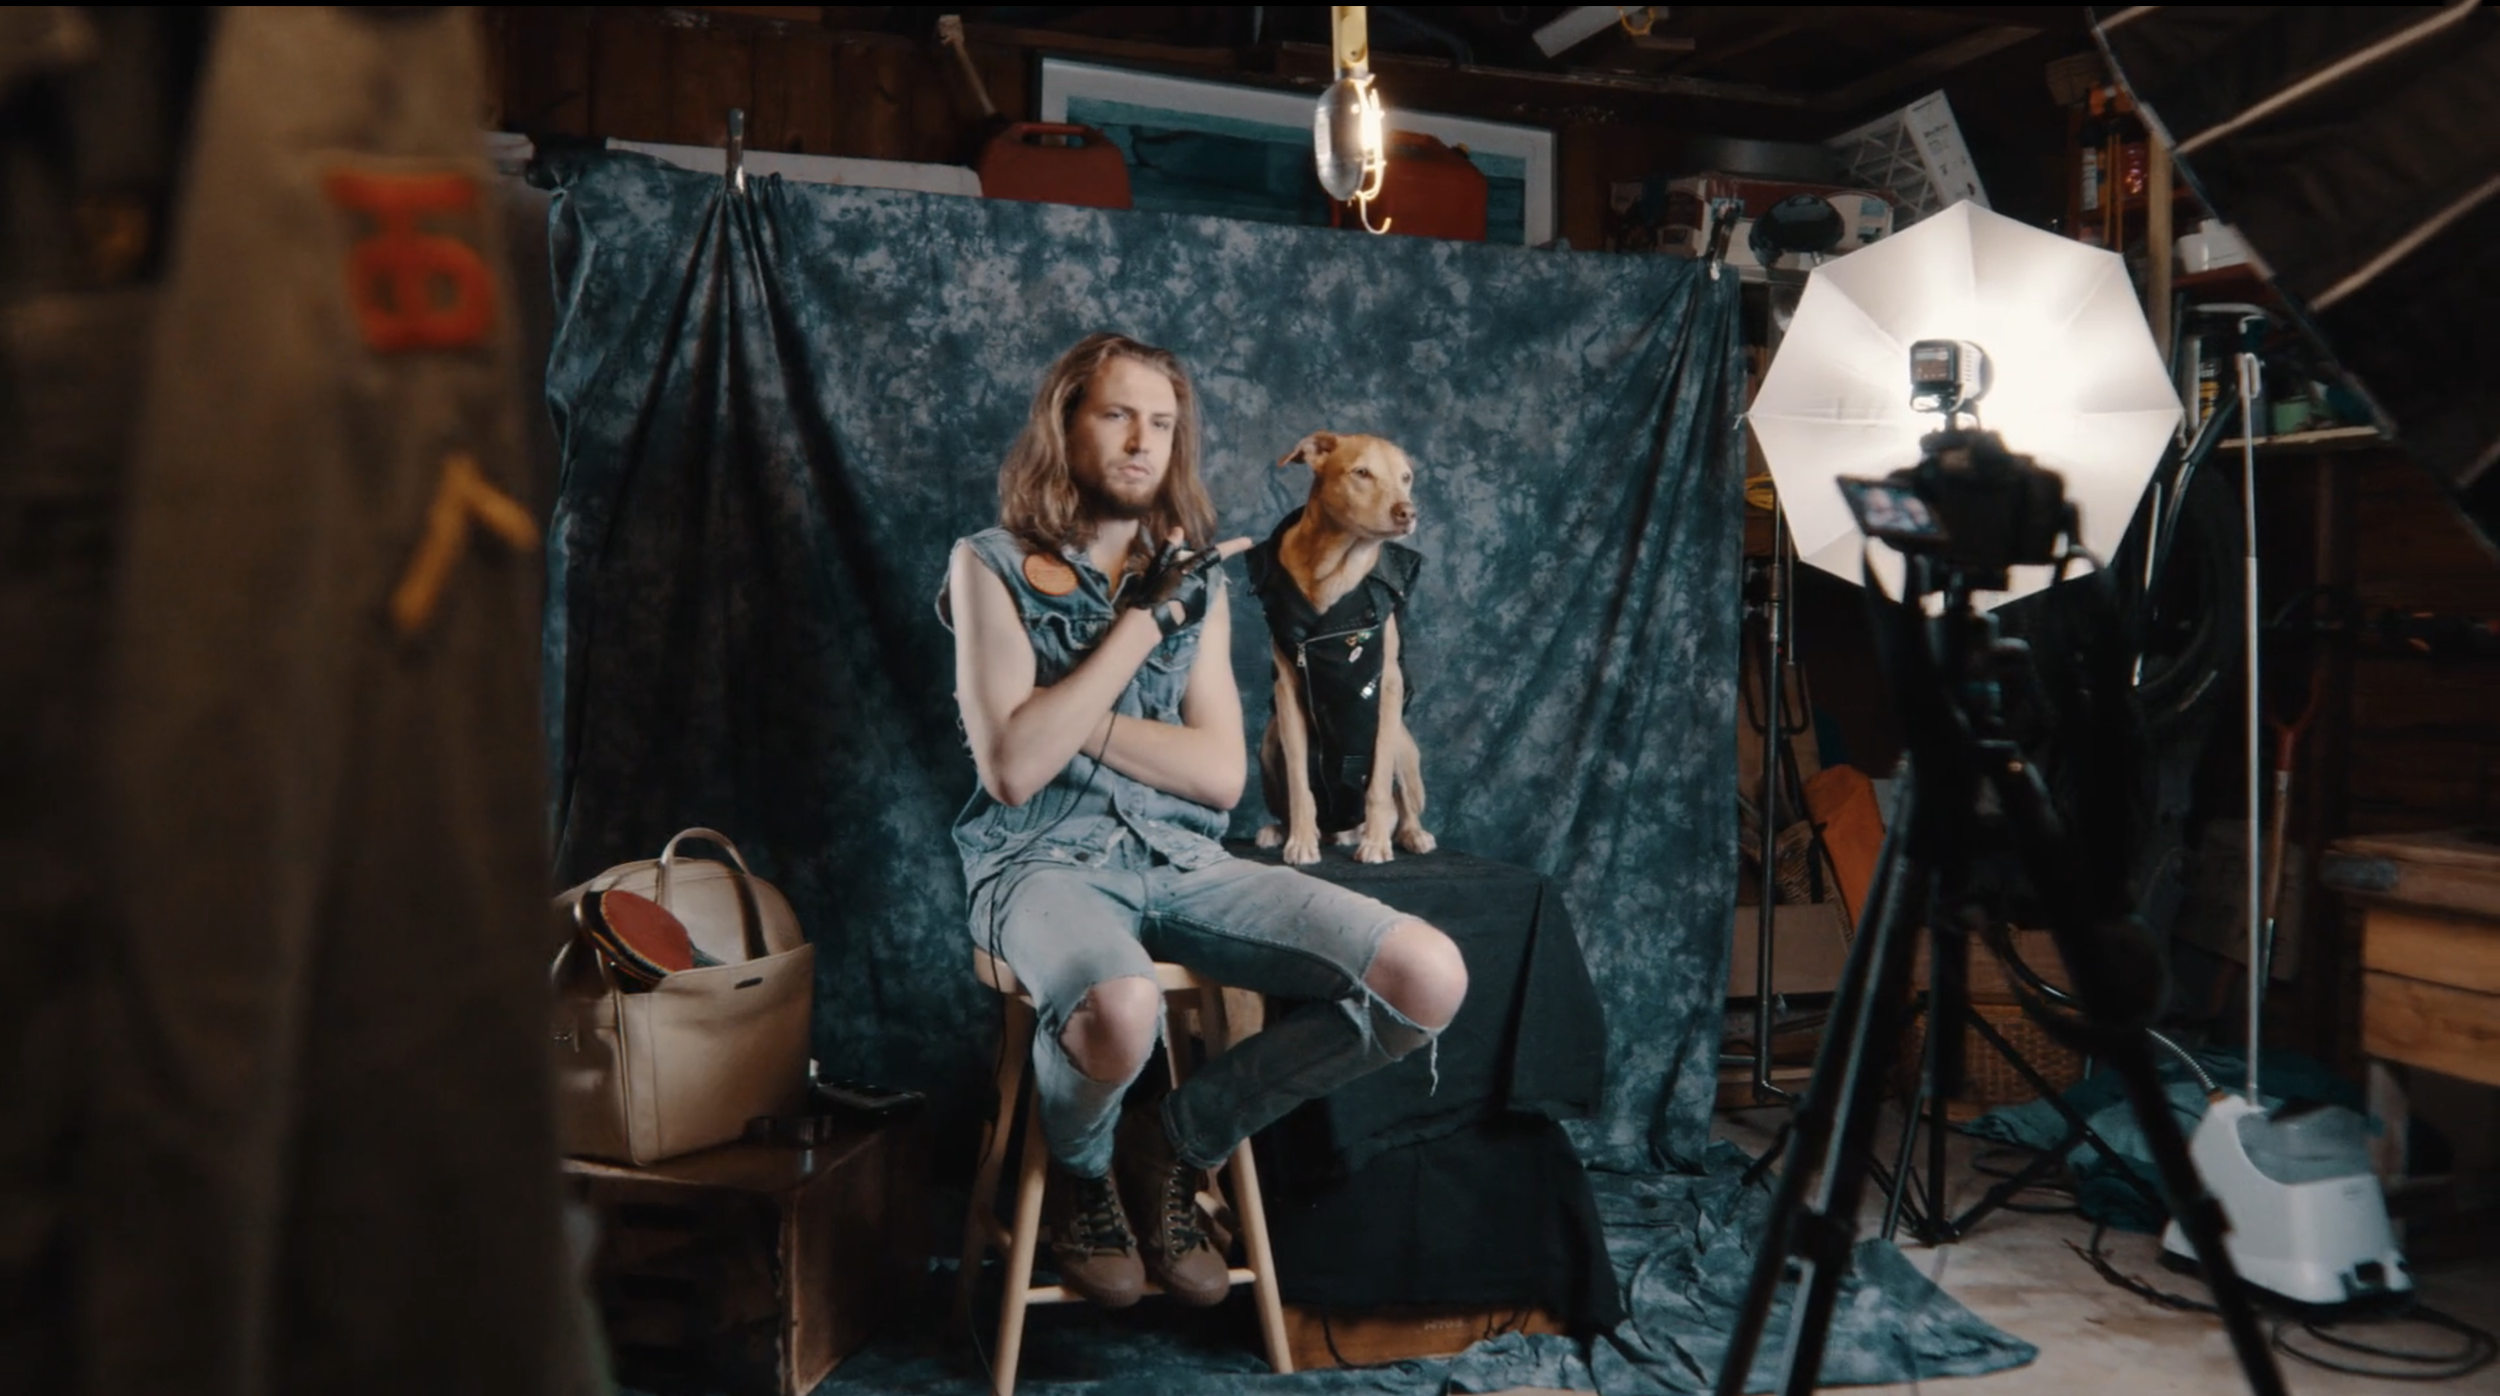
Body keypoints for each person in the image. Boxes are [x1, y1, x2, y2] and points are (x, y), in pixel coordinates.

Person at [939, 332, 1468, 1309]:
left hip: (1182, 858)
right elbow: (1012, 771)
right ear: (1065, 423)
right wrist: (1141, 625)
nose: (1143, 441)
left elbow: (1220, 776)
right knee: (1122, 1006)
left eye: (1162, 422)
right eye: (1117, 415)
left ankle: (1174, 1139)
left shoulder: (1199, 577)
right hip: (1037, 863)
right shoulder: (988, 564)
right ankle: (1085, 1173)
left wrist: (1064, 717)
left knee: (1424, 977)